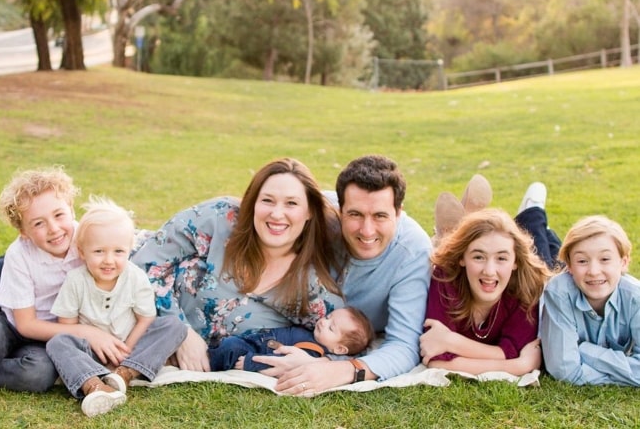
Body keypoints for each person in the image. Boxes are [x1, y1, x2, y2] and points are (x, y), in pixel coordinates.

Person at [130, 157, 345, 375]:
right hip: (119, 281)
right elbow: (144, 265)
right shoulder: (219, 218)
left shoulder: (311, 290)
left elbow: (344, 346)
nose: (277, 213)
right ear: (253, 203)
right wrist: (180, 333)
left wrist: (311, 361)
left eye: (292, 203)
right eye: (268, 200)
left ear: (309, 211)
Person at [253, 155, 433, 395]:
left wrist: (338, 370)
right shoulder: (316, 213)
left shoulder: (413, 252)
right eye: (355, 214)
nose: (367, 231)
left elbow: (403, 344)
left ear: (398, 213)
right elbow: (260, 216)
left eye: (380, 216)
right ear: (339, 210)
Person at [0, 167, 131, 392]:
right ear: (23, 232)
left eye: (59, 215)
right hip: (9, 323)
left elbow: (118, 242)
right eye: (38, 223)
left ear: (72, 210)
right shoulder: (19, 254)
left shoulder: (87, 239)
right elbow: (25, 324)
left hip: (49, 336)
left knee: (38, 374)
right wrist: (86, 332)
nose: (54, 229)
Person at [46, 197, 187, 417]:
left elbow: (146, 318)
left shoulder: (135, 277)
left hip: (130, 344)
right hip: (91, 351)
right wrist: (89, 342)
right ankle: (94, 386)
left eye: (118, 252)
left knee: (174, 326)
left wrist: (126, 351)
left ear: (129, 250)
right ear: (82, 252)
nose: (108, 260)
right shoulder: (76, 280)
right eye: (99, 251)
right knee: (58, 342)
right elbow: (67, 325)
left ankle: (124, 374)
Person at [419, 208, 552, 376]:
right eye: (478, 257)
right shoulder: (445, 277)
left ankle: (533, 208)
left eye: (501, 258)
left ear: (515, 262)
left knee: (546, 245)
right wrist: (519, 366)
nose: (489, 271)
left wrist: (452, 342)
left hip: (539, 265)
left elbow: (514, 349)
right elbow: (436, 360)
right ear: (462, 258)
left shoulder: (527, 285)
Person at [540, 215, 640, 386]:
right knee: (539, 252)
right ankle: (534, 213)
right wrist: (627, 371)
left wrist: (584, 350)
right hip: (544, 289)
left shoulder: (635, 297)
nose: (594, 271)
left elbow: (571, 369)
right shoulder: (558, 292)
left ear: (623, 263)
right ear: (569, 266)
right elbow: (563, 369)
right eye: (582, 261)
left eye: (605, 259)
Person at [208, 306, 374, 373]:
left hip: (254, 353)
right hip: (255, 340)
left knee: (230, 348)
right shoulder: (312, 332)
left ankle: (210, 360)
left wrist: (251, 362)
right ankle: (215, 347)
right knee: (230, 342)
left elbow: (283, 361)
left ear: (339, 349)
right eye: (328, 317)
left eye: (331, 328)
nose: (324, 322)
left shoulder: (312, 351)